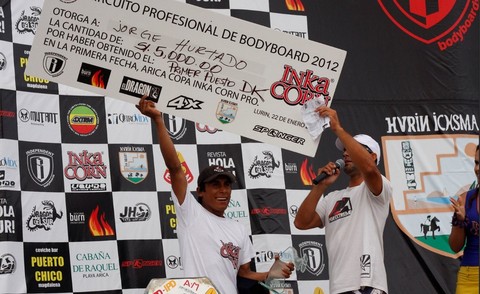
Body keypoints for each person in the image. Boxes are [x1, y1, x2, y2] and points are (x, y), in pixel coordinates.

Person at [136, 96, 294, 294]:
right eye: (215, 185)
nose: (223, 190)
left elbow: (243, 274)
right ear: (200, 191)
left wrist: (269, 274)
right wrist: (158, 121)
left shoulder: (238, 229)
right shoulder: (190, 213)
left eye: (227, 185)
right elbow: (175, 168)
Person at [294, 105, 393, 294]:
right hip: (338, 286)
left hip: (366, 283)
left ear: (372, 156)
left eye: (353, 149)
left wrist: (338, 130)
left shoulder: (378, 189)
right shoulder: (332, 198)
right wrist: (320, 187)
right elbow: (301, 222)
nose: (346, 153)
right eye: (344, 150)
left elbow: (370, 170)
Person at [449, 144, 479, 294]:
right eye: (477, 163)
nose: (478, 169)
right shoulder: (465, 199)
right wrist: (459, 220)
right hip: (468, 278)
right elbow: (455, 247)